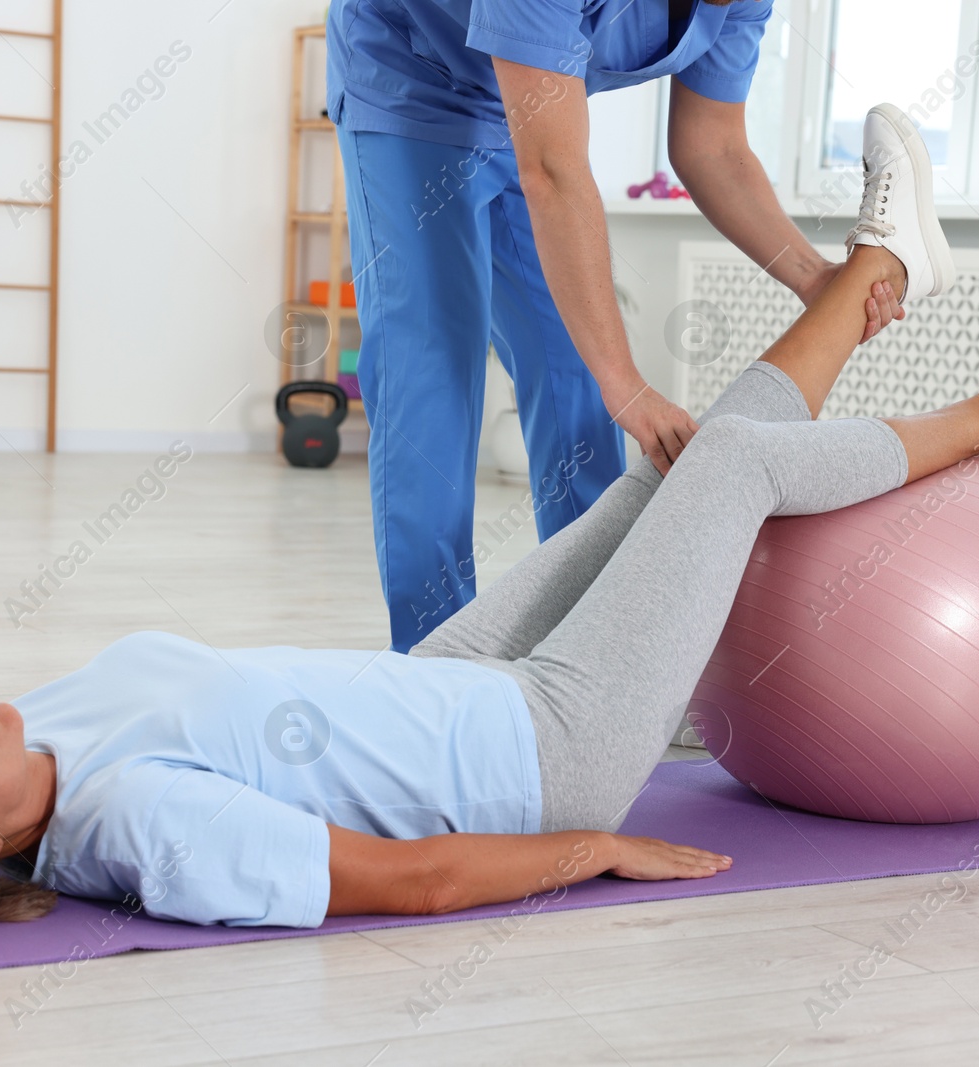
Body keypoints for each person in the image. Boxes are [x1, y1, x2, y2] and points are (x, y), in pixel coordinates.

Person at [0, 107, 979, 932]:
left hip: (449, 687)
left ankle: (890, 270)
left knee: (673, 462)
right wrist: (589, 845)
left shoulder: (41, 729)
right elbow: (398, 882)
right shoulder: (137, 828)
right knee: (741, 468)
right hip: (545, 749)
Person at [326, 0, 911, 652]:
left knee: (576, 375)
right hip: (413, 86)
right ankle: (432, 669)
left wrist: (811, 275)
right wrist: (628, 384)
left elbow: (712, 144)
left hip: (530, 107)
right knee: (430, 377)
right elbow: (551, 171)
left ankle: (591, 654)